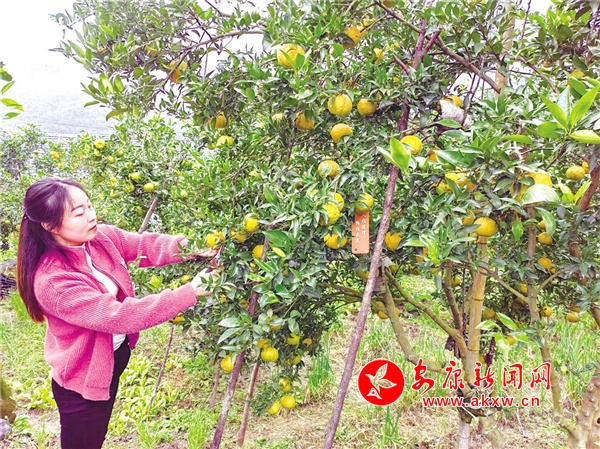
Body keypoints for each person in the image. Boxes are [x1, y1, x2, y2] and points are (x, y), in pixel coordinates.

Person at [16, 177, 217, 449]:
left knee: (96, 435)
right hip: (82, 380)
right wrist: (190, 291)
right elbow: (118, 316)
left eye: (89, 206)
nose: (91, 216)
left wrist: (194, 246)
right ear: (50, 226)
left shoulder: (100, 239)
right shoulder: (53, 281)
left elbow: (145, 245)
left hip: (113, 358)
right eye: (79, 213)